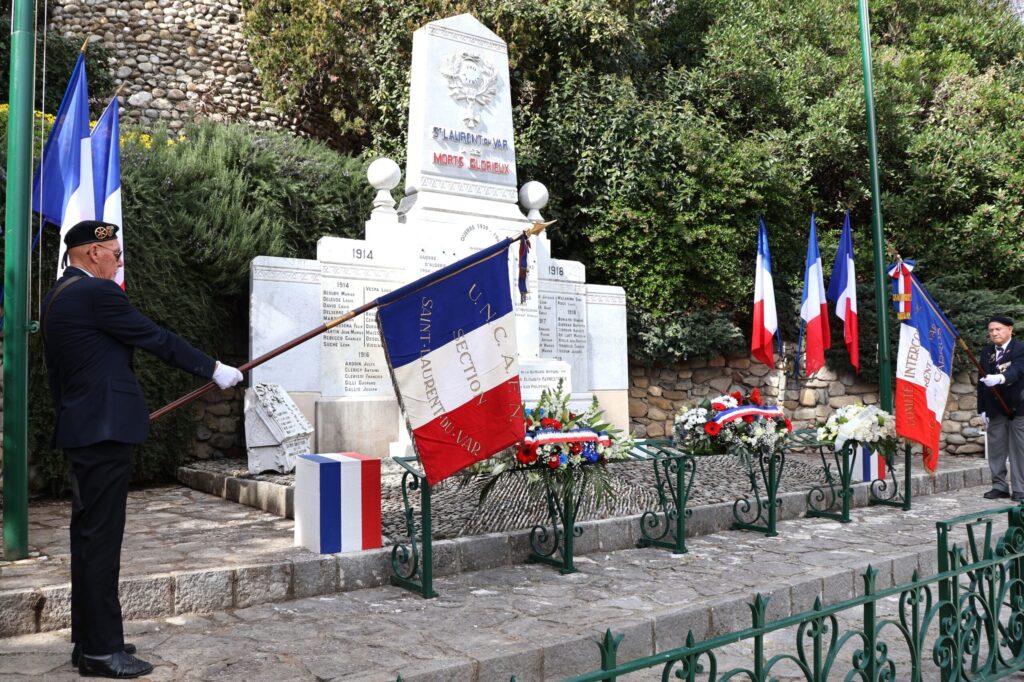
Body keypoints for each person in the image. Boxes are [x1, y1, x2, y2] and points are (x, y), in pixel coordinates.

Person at [41, 220, 244, 678]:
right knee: (100, 542)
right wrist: (213, 368)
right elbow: (154, 337)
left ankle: (91, 640)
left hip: (85, 428)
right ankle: (100, 651)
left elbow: (61, 376)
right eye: (114, 252)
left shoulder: (57, 297)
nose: (118, 260)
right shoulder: (96, 294)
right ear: (92, 253)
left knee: (90, 539)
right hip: (104, 432)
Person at [978, 315, 1024, 501]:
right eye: (991, 330)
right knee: (996, 449)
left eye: (998, 329)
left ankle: (1020, 489)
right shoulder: (987, 351)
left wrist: (1000, 378)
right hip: (995, 409)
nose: (994, 333)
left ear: (1010, 330)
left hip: (1018, 407)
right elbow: (981, 383)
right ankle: (999, 486)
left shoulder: (1020, 348)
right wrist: (982, 408)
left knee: (1019, 449)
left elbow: (1019, 369)